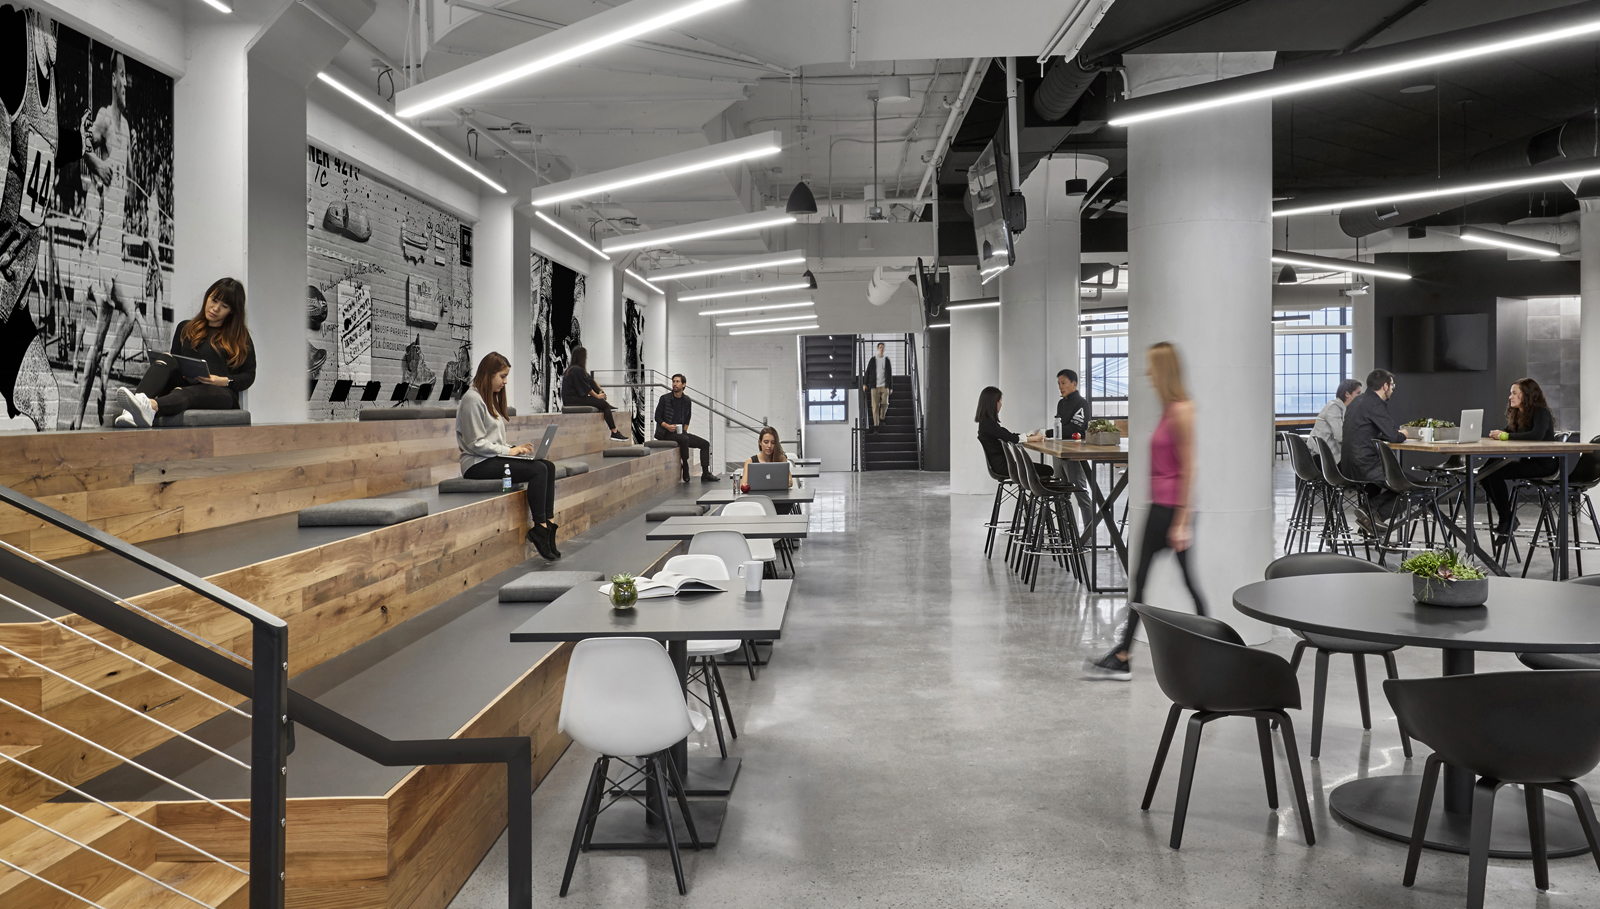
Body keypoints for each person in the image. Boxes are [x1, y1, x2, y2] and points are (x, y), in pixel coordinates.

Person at [1085, 342, 1205, 682]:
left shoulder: (1182, 410)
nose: (1147, 374)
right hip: (1160, 507)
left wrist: (1182, 522)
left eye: (1152, 367)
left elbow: (1190, 467)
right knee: (1141, 581)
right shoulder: (1169, 409)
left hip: (1171, 511)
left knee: (1183, 583)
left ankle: (1209, 646)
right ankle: (1123, 654)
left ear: (1164, 370)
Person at [459, 352, 562, 561]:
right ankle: (539, 527)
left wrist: (515, 448)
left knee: (548, 466)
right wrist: (509, 452)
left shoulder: (489, 399)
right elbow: (475, 443)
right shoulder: (472, 399)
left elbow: (492, 440)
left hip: (489, 458)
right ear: (489, 375)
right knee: (538, 470)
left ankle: (548, 524)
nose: (505, 382)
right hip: (476, 464)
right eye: (502, 377)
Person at [114, 278, 255, 428]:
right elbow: (176, 362)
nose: (215, 308)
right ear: (207, 297)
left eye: (224, 306)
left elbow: (249, 376)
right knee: (166, 359)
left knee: (185, 392)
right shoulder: (185, 328)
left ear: (232, 311)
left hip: (221, 393)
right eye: (213, 300)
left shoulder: (240, 337)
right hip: (186, 385)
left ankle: (149, 406)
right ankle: (132, 411)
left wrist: (222, 380)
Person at [1482, 377, 1557, 544]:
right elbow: (1509, 433)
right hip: (1529, 462)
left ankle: (1506, 521)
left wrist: (1505, 436)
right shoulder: (1518, 414)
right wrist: (1499, 434)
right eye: (1511, 393)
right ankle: (1507, 519)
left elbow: (1535, 436)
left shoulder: (1541, 412)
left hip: (1544, 465)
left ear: (1527, 395)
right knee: (1485, 472)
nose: (1510, 397)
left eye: (1515, 393)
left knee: (1492, 473)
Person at [1341, 368, 1412, 529]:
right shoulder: (1376, 404)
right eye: (1392, 386)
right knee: (1412, 488)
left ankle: (1369, 523)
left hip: (1348, 465)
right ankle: (1370, 511)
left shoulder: (1357, 401)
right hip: (1365, 465)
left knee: (1389, 485)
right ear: (1385, 386)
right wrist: (1405, 434)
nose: (1393, 390)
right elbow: (1394, 436)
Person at [974, 386, 1057, 486]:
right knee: (1048, 470)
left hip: (1002, 466)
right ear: (993, 403)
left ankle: (1032, 500)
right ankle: (1036, 498)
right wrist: (1035, 438)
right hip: (1005, 467)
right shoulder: (989, 425)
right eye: (1000, 401)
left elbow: (1009, 435)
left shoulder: (986, 424)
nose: (1001, 404)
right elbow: (1011, 438)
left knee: (1043, 469)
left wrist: (1029, 436)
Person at [654, 373, 719, 483]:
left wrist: (684, 430)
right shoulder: (664, 399)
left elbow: (687, 418)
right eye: (673, 381)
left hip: (680, 433)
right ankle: (685, 466)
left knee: (705, 444)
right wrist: (667, 426)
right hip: (665, 433)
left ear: (684, 385)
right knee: (684, 439)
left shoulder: (687, 400)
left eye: (677, 382)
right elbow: (657, 417)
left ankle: (705, 473)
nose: (675, 384)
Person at [561, 346, 627, 441]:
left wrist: (600, 391)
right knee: (604, 405)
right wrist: (598, 396)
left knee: (601, 400)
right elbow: (586, 389)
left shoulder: (575, 369)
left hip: (573, 399)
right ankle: (614, 432)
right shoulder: (577, 370)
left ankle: (607, 405)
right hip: (572, 400)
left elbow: (590, 381)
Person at [1055, 368, 1094, 527]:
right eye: (1058, 383)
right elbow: (1060, 429)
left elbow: (1075, 429)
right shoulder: (1060, 403)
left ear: (1074, 383)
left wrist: (1049, 432)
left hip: (1075, 454)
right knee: (1061, 494)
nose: (1060, 387)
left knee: (1081, 494)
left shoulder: (1081, 403)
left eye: (1063, 383)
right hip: (1059, 452)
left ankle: (1088, 536)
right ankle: (1066, 534)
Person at [747, 426, 799, 514]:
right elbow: (743, 485)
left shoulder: (781, 459)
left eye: (773, 442)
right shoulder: (750, 461)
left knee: (786, 503)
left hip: (779, 500)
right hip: (758, 501)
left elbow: (790, 482)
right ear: (760, 443)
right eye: (766, 442)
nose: (769, 446)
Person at [1310, 379, 1362, 464]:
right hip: (1322, 457)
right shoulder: (1334, 407)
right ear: (1347, 394)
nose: (1361, 396)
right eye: (1358, 393)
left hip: (1329, 454)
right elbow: (1341, 436)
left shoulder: (1345, 409)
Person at [862, 342, 892, 431]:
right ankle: (876, 425)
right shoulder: (872, 360)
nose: (881, 348)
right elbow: (867, 372)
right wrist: (865, 383)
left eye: (883, 347)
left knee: (885, 403)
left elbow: (890, 374)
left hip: (884, 385)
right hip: (874, 386)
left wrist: (891, 387)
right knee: (875, 406)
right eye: (880, 347)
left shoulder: (887, 360)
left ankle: (882, 417)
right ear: (878, 349)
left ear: (884, 349)